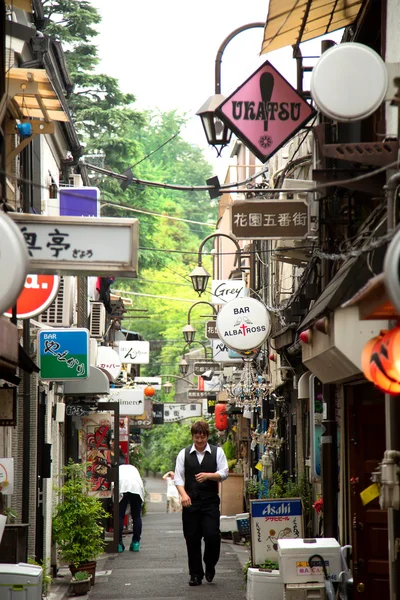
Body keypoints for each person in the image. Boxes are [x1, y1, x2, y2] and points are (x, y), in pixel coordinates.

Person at [174, 421, 229, 586]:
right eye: (196, 437)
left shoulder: (217, 452)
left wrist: (208, 476)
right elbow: (178, 478)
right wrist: (183, 495)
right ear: (192, 436)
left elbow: (224, 473)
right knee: (192, 539)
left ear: (207, 436)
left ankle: (210, 563)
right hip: (191, 503)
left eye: (202, 436)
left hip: (210, 502)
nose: (199, 440)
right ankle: (195, 574)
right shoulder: (183, 454)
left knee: (212, 536)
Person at [118, 453, 145, 553]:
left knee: (119, 516)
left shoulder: (118, 469)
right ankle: (135, 543)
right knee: (136, 516)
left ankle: (119, 544)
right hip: (136, 488)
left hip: (122, 489)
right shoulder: (132, 468)